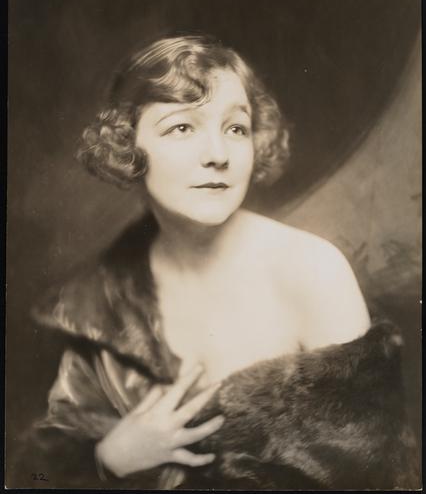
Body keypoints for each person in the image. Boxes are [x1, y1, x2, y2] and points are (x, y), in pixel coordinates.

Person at [13, 34, 418, 489]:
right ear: (127, 147)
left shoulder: (313, 272)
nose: (218, 155)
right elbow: (40, 473)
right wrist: (109, 459)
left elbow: (378, 478)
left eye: (236, 128)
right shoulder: (101, 302)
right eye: (182, 128)